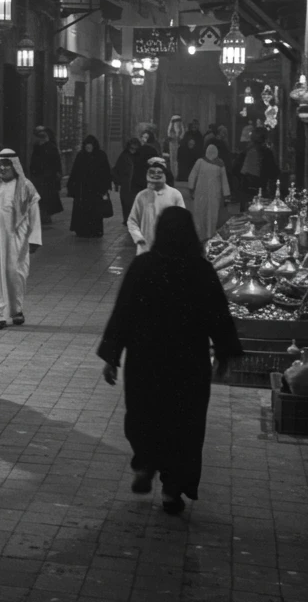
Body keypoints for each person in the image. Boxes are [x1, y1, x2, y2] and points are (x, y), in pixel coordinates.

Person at [98, 207, 243, 515]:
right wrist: (226, 352)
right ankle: (172, 488)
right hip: (188, 363)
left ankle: (146, 462)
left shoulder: (143, 267)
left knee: (144, 415)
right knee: (184, 424)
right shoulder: (201, 270)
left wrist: (112, 357)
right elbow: (218, 316)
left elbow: (123, 313)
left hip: (145, 360)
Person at [0, 150, 42, 330]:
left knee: (16, 274)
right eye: (0, 165)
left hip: (17, 241)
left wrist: (35, 239)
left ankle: (17, 310)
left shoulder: (26, 186)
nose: (3, 168)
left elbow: (34, 214)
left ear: (15, 166)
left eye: (7, 164)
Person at [127, 157, 185, 255]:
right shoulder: (141, 196)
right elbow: (132, 220)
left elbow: (182, 221)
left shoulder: (175, 195)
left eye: (159, 172)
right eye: (152, 172)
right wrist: (138, 238)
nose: (155, 175)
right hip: (145, 249)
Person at [67, 135, 112, 239]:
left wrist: (105, 187)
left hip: (97, 190)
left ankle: (95, 231)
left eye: (90, 146)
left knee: (95, 211)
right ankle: (83, 231)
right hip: (83, 189)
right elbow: (75, 172)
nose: (88, 148)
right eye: (87, 146)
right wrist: (72, 187)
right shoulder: (81, 155)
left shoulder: (101, 155)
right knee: (83, 211)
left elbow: (106, 172)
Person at [189, 143, 232, 239]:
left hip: (200, 193)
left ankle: (200, 236)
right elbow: (224, 181)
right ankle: (210, 234)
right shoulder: (220, 164)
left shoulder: (200, 162)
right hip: (214, 194)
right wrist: (226, 195)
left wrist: (191, 188)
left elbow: (192, 176)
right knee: (212, 214)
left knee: (200, 213)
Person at [28, 127, 63, 225]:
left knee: (45, 198)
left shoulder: (50, 147)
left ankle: (45, 217)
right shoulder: (38, 148)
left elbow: (56, 162)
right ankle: (43, 216)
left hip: (47, 178)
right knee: (42, 198)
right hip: (40, 177)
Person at [237, 129, 280, 209]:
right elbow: (273, 172)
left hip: (245, 188)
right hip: (260, 189)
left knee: (246, 214)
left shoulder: (245, 151)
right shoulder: (266, 152)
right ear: (265, 139)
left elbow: (236, 169)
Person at [111, 139, 139, 226]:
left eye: (135, 147)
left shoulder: (139, 156)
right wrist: (117, 182)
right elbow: (117, 170)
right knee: (126, 202)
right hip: (126, 184)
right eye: (132, 147)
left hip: (136, 183)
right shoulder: (124, 156)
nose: (133, 149)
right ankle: (127, 219)